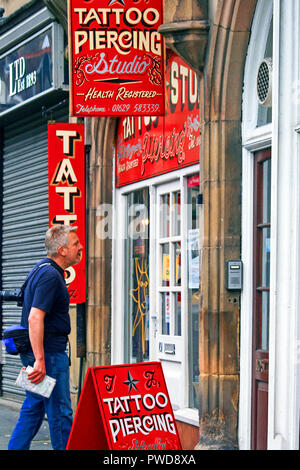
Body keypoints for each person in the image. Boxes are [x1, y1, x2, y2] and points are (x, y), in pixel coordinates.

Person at [8, 225, 83, 450]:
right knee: (60, 412)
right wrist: (40, 360)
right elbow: (34, 318)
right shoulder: (50, 275)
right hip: (48, 355)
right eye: (75, 244)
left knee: (34, 408)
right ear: (61, 250)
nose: (80, 248)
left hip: (43, 353)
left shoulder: (42, 269)